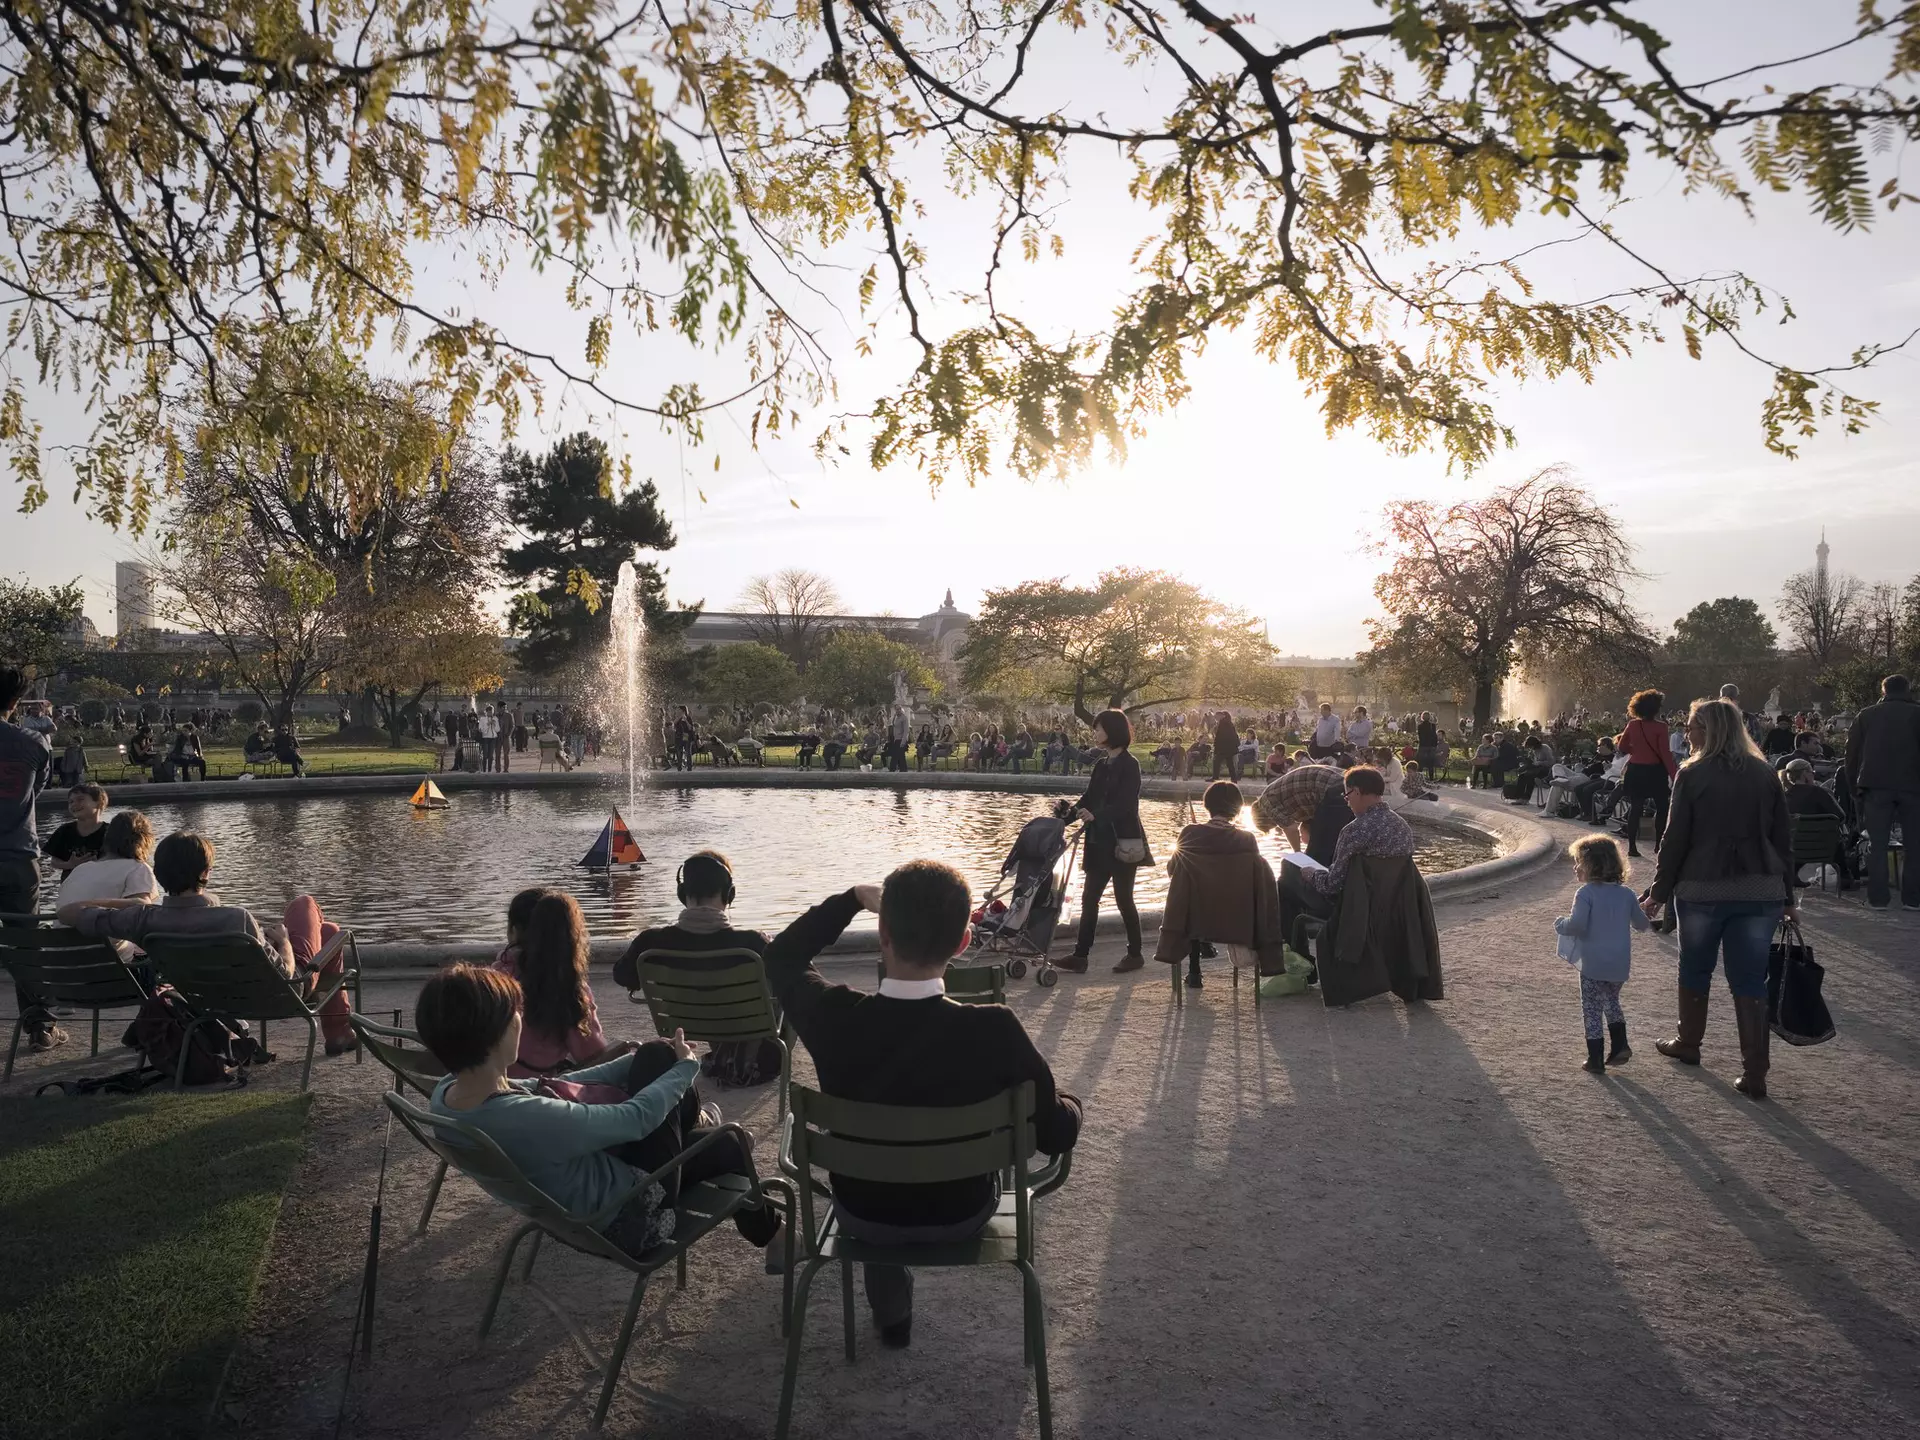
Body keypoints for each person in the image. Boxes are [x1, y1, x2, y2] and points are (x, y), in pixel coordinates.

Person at [761, 861, 1083, 1347]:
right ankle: (892, 1308)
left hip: (862, 1213)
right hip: (963, 1212)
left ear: (882, 934)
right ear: (962, 943)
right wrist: (1069, 1102)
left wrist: (851, 899)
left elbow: (781, 956)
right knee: (909, 1172)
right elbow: (1057, 1134)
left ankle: (892, 1315)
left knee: (880, 1176)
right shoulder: (995, 1029)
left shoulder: (833, 1016)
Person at [419, 964, 783, 1262]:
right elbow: (634, 1119)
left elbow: (559, 1084)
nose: (520, 1020)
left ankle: (695, 1124)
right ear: (494, 1035)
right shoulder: (524, 1119)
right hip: (631, 1211)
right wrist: (685, 1068)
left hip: (570, 1209)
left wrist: (635, 1060)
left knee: (656, 1056)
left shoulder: (449, 1093)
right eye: (514, 1014)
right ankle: (771, 1233)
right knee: (734, 1142)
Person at [1646, 699, 1793, 1100]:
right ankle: (1755, 1071)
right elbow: (1782, 839)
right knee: (1749, 979)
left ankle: (1689, 1043)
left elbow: (1675, 839)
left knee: (1695, 969)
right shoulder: (1765, 773)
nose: (1687, 733)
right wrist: (1788, 897)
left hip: (1702, 886)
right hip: (1761, 888)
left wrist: (1659, 891)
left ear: (1707, 731)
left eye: (1692, 726)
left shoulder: (1692, 774)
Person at [1276, 766, 1416, 957]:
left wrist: (1312, 873)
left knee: (1286, 881)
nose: (1347, 802)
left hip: (1353, 907)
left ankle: (1301, 960)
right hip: (1390, 906)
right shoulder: (1403, 827)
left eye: (1347, 796)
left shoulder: (1354, 830)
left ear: (1357, 792)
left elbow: (1331, 886)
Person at [1154, 781, 1282, 989]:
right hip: (1239, 918)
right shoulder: (1247, 839)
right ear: (1238, 808)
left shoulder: (1190, 833)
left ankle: (1194, 971)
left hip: (1197, 917)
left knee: (1194, 899)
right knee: (1205, 898)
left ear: (1207, 806)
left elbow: (1173, 871)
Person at [491, 891, 626, 1075]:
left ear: (514, 930)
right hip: (537, 1094)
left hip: (486, 1088)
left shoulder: (489, 982)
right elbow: (592, 1055)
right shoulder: (564, 988)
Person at [1058, 709, 1150, 974]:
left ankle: (1135, 954)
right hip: (1098, 840)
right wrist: (1065, 817)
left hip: (1121, 841)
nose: (1095, 733)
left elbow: (1125, 805)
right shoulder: (1101, 763)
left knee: (1124, 899)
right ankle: (1080, 954)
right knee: (1089, 899)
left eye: (1099, 728)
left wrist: (1096, 815)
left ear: (1113, 731)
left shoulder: (1130, 765)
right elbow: (1088, 798)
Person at [1554, 835, 1648, 1075]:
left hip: (1594, 963)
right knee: (1611, 1000)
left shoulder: (1585, 893)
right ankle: (1620, 1044)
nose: (1575, 868)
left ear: (1591, 866)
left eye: (1578, 863)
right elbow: (1641, 924)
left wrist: (1560, 924)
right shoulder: (1626, 893)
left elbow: (1577, 925)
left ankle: (1594, 1058)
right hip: (1619, 964)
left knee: (1592, 1008)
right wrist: (1645, 908)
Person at [0, 666, 59, 1049]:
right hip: (18, 853)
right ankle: (40, 1028)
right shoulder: (33, 742)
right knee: (27, 943)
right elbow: (38, 788)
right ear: (16, 702)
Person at [1845, 673, 1920, 911]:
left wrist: (1853, 787)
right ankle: (1913, 898)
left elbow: (1852, 755)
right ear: (1908, 689)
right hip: (1913, 786)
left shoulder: (1866, 715)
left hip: (1875, 785)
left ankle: (1878, 898)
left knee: (1877, 845)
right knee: (1915, 845)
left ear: (1883, 690)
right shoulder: (1917, 713)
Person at [1615, 689, 1677, 859]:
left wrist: (1635, 750)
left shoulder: (1633, 725)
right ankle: (1658, 844)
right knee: (1662, 807)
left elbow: (1621, 748)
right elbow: (1665, 754)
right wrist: (1674, 775)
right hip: (1655, 771)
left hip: (1636, 770)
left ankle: (1632, 846)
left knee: (1635, 808)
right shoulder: (1661, 727)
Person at [1780, 758, 1857, 892]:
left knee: (1797, 834)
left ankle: (1792, 874)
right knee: (1833, 836)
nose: (1813, 774)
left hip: (1793, 848)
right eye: (1812, 772)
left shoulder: (1783, 797)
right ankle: (1845, 876)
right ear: (1804, 774)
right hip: (1824, 849)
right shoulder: (1819, 793)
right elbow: (1840, 816)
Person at [1250, 760, 1345, 855]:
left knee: (1321, 850)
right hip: (1339, 778)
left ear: (1265, 820)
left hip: (1327, 786)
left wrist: (1298, 854)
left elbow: (1290, 829)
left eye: (1272, 826)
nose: (1277, 825)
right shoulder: (1274, 796)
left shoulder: (1267, 804)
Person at [44, 782, 110, 875]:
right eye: (71, 802)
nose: (74, 804)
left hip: (102, 885)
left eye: (80, 800)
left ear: (99, 803)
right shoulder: (64, 831)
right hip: (71, 886)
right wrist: (70, 864)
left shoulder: (111, 831)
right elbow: (54, 862)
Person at [1212, 710, 1241, 780]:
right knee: (1230, 764)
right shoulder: (1229, 723)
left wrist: (1216, 747)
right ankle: (1233, 779)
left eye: (1216, 717)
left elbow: (1220, 737)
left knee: (1216, 762)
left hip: (1223, 748)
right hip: (1229, 748)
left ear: (1221, 716)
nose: (1215, 718)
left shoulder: (1223, 723)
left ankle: (1215, 777)